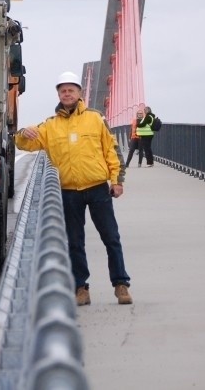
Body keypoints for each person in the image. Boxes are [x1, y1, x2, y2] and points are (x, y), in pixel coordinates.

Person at [15, 71, 133, 306]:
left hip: (98, 187)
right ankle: (81, 288)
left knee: (111, 237)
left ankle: (121, 285)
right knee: (74, 241)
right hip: (68, 191)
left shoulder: (95, 118)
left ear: (80, 93)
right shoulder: (50, 125)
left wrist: (117, 180)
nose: (67, 93)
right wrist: (21, 133)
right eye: (63, 90)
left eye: (71, 90)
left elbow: (112, 150)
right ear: (59, 94)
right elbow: (24, 144)